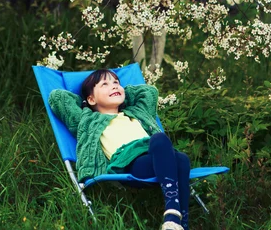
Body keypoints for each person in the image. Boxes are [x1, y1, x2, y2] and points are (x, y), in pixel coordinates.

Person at [49, 69, 191, 230]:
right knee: (162, 142)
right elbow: (58, 98)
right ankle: (173, 212)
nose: (114, 86)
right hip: (130, 164)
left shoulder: (137, 112)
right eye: (105, 84)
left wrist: (121, 95)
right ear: (91, 98)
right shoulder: (87, 120)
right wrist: (86, 103)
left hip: (156, 156)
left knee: (181, 158)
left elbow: (149, 91)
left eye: (116, 83)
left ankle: (178, 224)